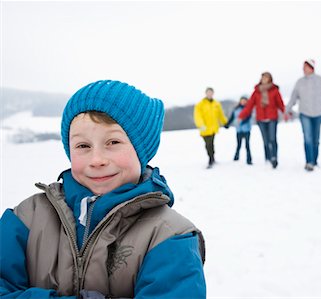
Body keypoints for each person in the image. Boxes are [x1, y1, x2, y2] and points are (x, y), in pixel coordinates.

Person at [0, 80, 206, 298]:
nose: (96, 160)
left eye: (113, 142)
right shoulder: (26, 218)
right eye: (83, 146)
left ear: (141, 151)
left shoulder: (170, 236)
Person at [238, 72, 285, 169]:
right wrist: (241, 115)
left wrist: (286, 112)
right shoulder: (256, 92)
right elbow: (249, 105)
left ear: (270, 79)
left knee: (272, 139)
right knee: (266, 140)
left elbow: (280, 104)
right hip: (261, 119)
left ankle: (274, 157)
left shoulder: (274, 91)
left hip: (272, 118)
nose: (264, 79)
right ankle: (268, 157)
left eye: (266, 77)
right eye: (263, 77)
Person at [193, 87, 228, 169]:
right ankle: (211, 158)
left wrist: (225, 122)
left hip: (213, 128)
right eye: (208, 92)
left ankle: (212, 159)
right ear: (206, 93)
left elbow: (220, 114)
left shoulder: (216, 104)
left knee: (211, 144)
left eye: (211, 92)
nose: (209, 94)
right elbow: (197, 116)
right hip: (204, 129)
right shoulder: (200, 104)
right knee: (208, 145)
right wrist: (201, 125)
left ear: (213, 93)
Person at [224, 96, 253, 165]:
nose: (243, 102)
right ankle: (236, 157)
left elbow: (248, 117)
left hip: (246, 129)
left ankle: (249, 159)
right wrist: (227, 124)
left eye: (244, 100)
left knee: (247, 145)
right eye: (242, 100)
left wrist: (242, 122)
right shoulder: (236, 109)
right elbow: (232, 117)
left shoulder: (248, 109)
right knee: (239, 144)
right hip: (238, 129)